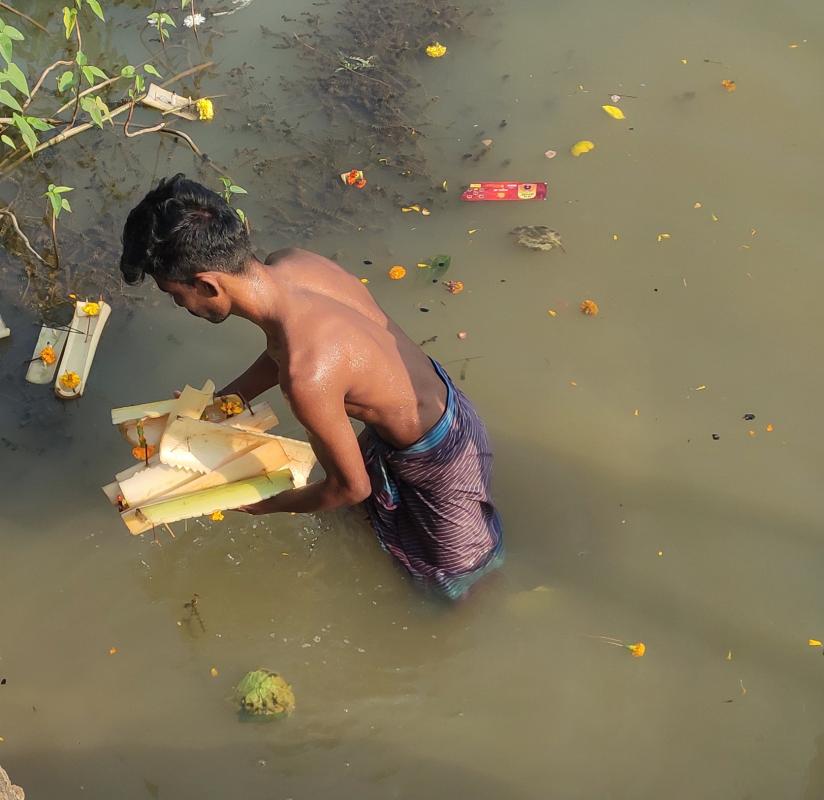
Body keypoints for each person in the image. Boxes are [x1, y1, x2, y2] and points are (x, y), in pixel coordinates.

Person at [119, 174, 503, 599]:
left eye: (177, 295)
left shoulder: (307, 378)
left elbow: (351, 488)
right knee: (376, 528)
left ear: (208, 284)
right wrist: (227, 402)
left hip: (444, 457)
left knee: (460, 583)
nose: (182, 306)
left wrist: (266, 504)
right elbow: (284, 349)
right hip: (436, 402)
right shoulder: (296, 264)